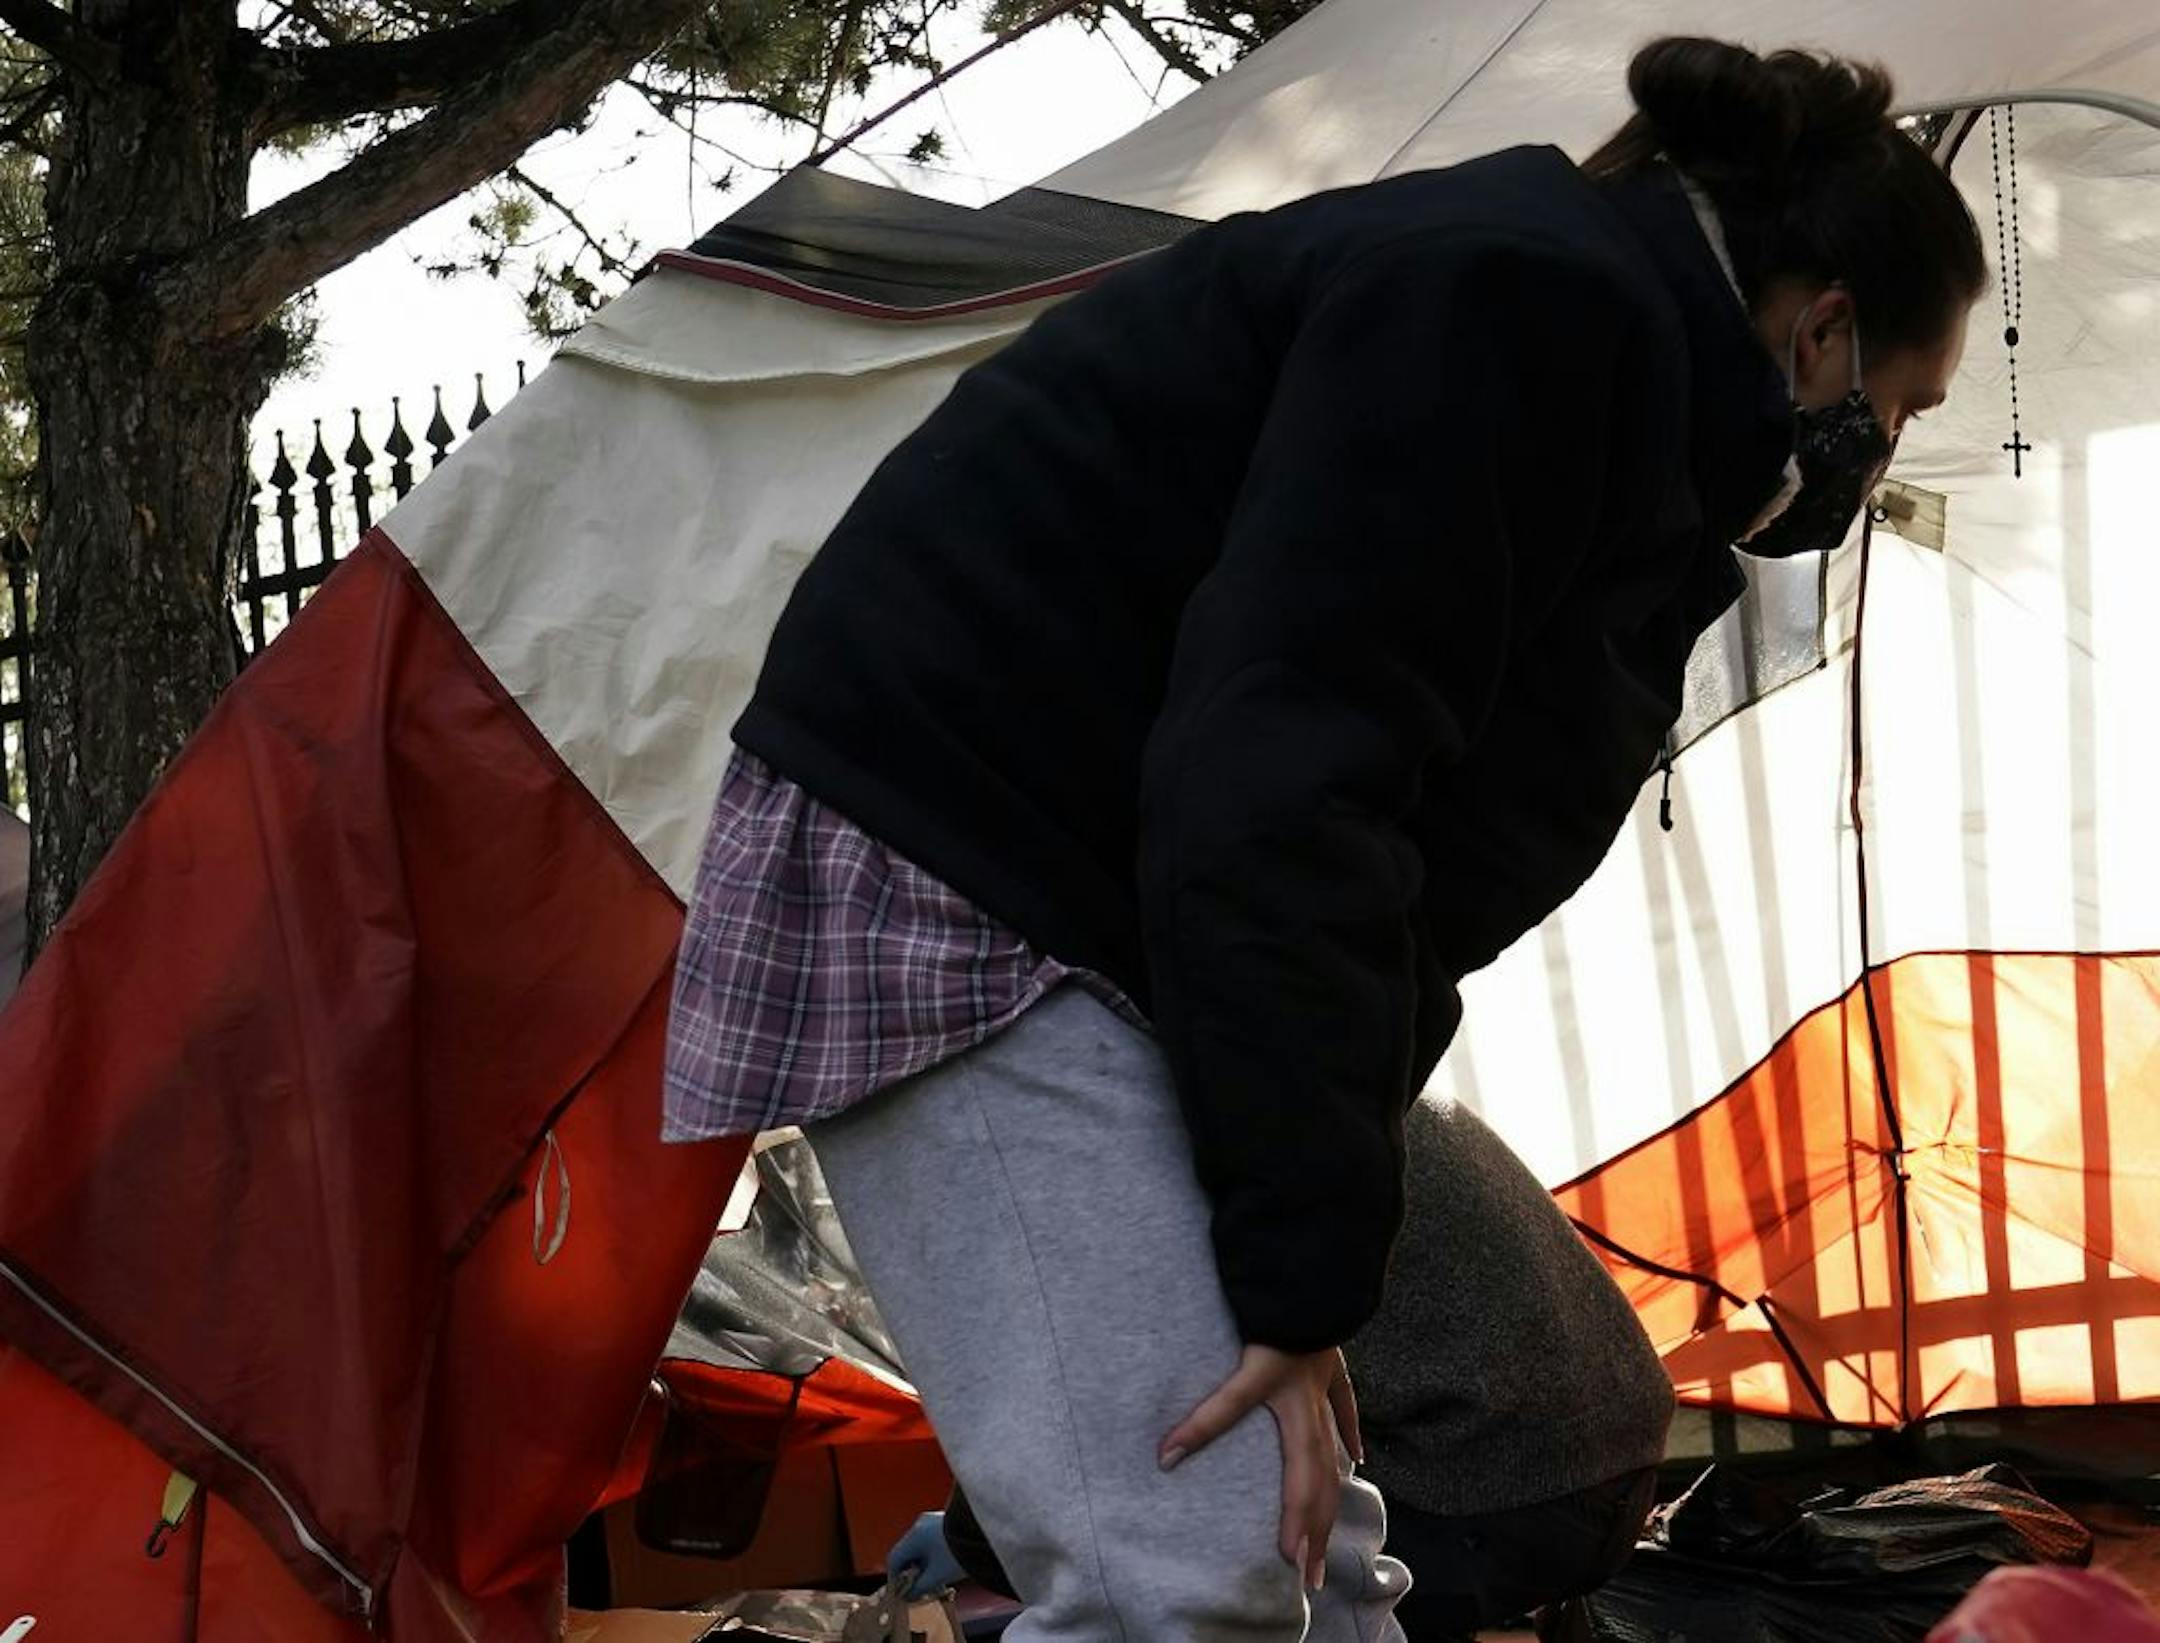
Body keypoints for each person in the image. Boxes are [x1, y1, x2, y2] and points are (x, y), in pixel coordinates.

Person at [664, 34, 1986, 1641]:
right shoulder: (1517, 308)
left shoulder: (1614, 391)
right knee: (1187, 1574)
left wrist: (1311, 1261)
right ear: (1823, 325)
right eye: (1900, 405)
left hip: (1105, 903)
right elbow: (1287, 783)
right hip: (956, 877)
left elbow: (1405, 885)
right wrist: (1291, 1275)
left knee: (1315, 1567)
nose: (1882, 452)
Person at [887, 1093, 1675, 1642]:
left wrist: (976, 1534)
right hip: (1617, 1457)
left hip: (1501, 1489)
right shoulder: (1302, 1051)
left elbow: (1105, 1365)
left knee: (1197, 1572)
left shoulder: (1147, 1106)